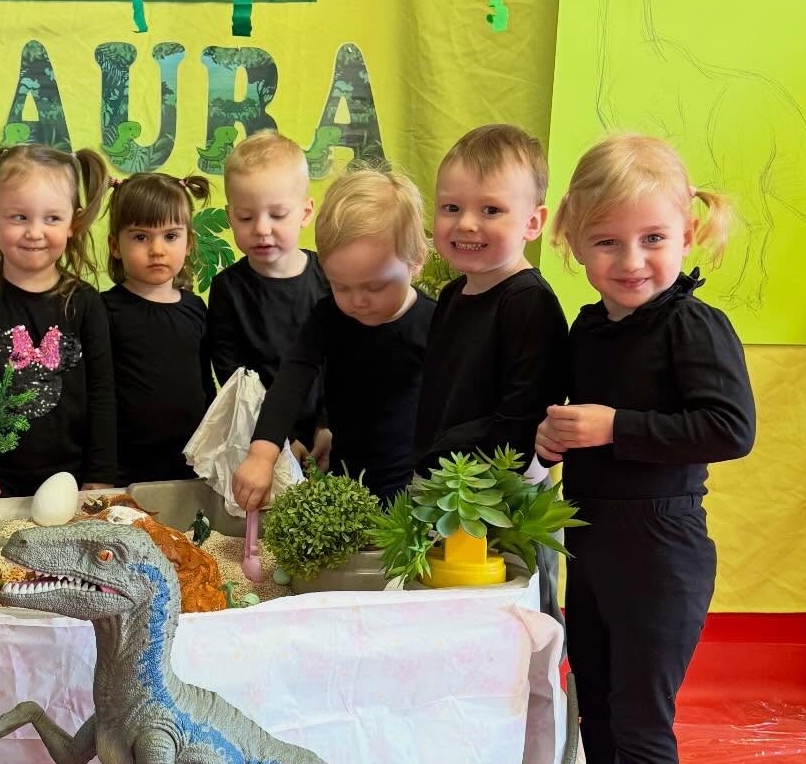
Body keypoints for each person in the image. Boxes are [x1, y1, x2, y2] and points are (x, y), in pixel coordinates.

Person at [539, 134, 755, 764]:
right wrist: (554, 438)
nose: (632, 261)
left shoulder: (694, 326)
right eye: (608, 242)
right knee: (594, 701)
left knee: (640, 715)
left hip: (663, 547)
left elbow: (730, 428)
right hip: (593, 538)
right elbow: (575, 423)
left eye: (653, 238)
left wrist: (614, 427)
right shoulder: (589, 330)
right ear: (573, 242)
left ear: (687, 234)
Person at [232, 168, 434, 510]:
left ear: (415, 262)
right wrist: (262, 455)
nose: (357, 301)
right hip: (345, 480)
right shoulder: (328, 316)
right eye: (340, 286)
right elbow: (291, 380)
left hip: (414, 488)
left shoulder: (434, 322)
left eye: (375, 286)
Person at [0, 142, 116, 498]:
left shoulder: (85, 302)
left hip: (71, 480)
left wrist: (101, 473)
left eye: (52, 218)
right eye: (19, 217)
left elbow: (102, 393)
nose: (35, 232)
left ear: (73, 222)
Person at [412, 123, 569, 475]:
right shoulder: (453, 293)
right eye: (451, 207)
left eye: (491, 210)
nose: (466, 224)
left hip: (499, 486)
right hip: (443, 477)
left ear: (533, 222)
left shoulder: (529, 303)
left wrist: (460, 477)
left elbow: (523, 418)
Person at [205, 131, 330, 457]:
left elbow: (343, 359)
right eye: (246, 217)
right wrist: (280, 438)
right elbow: (234, 380)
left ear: (305, 212)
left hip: (329, 434)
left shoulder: (330, 278)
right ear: (230, 217)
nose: (261, 228)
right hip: (258, 439)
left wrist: (326, 425)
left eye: (277, 215)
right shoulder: (227, 289)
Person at [102, 172, 215, 484]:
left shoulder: (196, 308)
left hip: (190, 464)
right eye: (141, 237)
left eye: (170, 236)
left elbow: (206, 386)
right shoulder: (103, 310)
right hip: (126, 467)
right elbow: (97, 395)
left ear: (189, 242)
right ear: (115, 245)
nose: (157, 249)